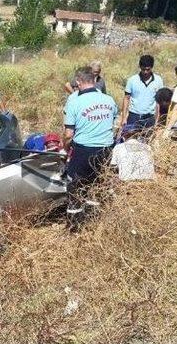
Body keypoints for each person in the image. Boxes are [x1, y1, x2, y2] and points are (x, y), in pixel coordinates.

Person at [63, 66, 118, 231]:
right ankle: (94, 221)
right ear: (94, 80)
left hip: (84, 151)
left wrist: (65, 148)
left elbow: (68, 134)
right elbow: (113, 123)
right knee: (98, 183)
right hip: (106, 149)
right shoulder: (109, 100)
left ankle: (75, 227)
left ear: (78, 82)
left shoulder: (75, 102)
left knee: (75, 187)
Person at [120, 55, 164, 133]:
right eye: (143, 69)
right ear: (140, 67)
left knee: (148, 142)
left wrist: (158, 119)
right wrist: (124, 118)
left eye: (148, 69)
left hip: (149, 118)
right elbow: (126, 98)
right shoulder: (132, 80)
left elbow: (159, 102)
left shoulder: (158, 80)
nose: (145, 72)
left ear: (152, 67)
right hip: (134, 116)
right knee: (130, 141)